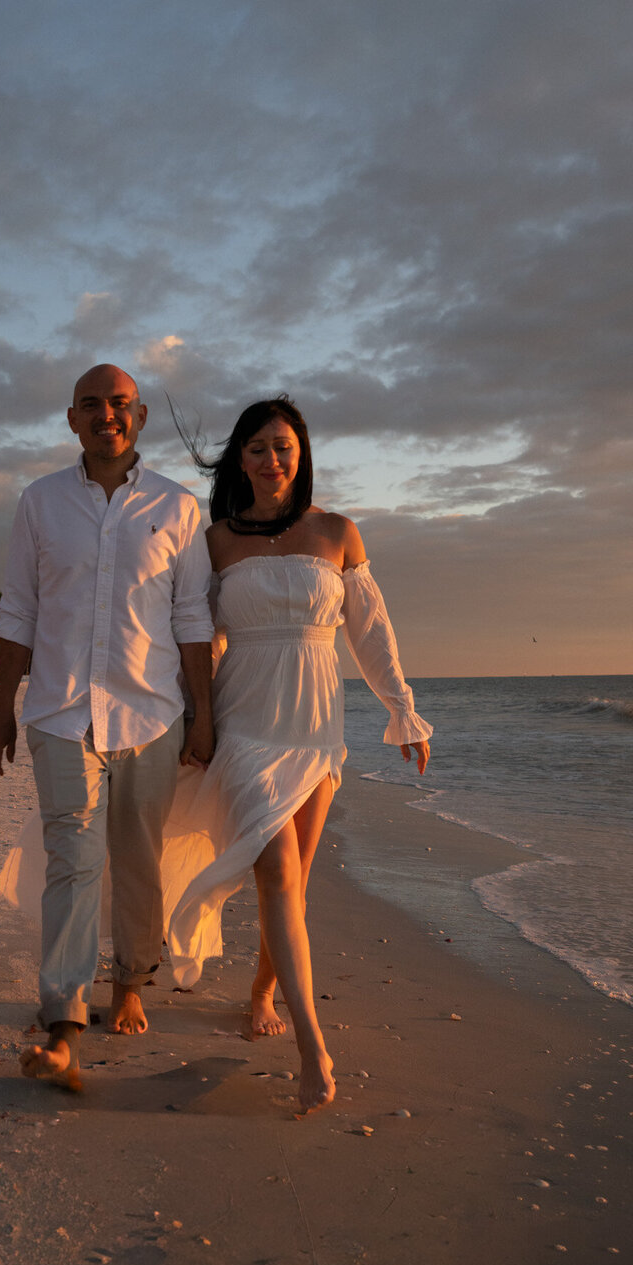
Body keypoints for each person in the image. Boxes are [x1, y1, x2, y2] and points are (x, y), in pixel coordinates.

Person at [160, 396, 432, 1115]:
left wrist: (402, 711)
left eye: (283, 447)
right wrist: (196, 720)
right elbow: (195, 638)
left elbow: (370, 632)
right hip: (245, 725)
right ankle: (313, 1048)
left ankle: (261, 994)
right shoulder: (216, 543)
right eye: (257, 448)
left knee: (294, 885)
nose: (271, 460)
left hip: (315, 728)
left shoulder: (338, 533)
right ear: (238, 459)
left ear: (301, 454)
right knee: (277, 869)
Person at [0, 363, 214, 1090]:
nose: (106, 415)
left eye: (120, 405)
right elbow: (18, 608)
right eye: (92, 405)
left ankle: (133, 982)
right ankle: (62, 1020)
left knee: (139, 857)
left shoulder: (179, 509)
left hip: (153, 714)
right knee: (74, 861)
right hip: (59, 711)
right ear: (72, 420)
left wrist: (203, 715)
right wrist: (1, 713)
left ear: (140, 417)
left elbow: (192, 619)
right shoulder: (40, 503)